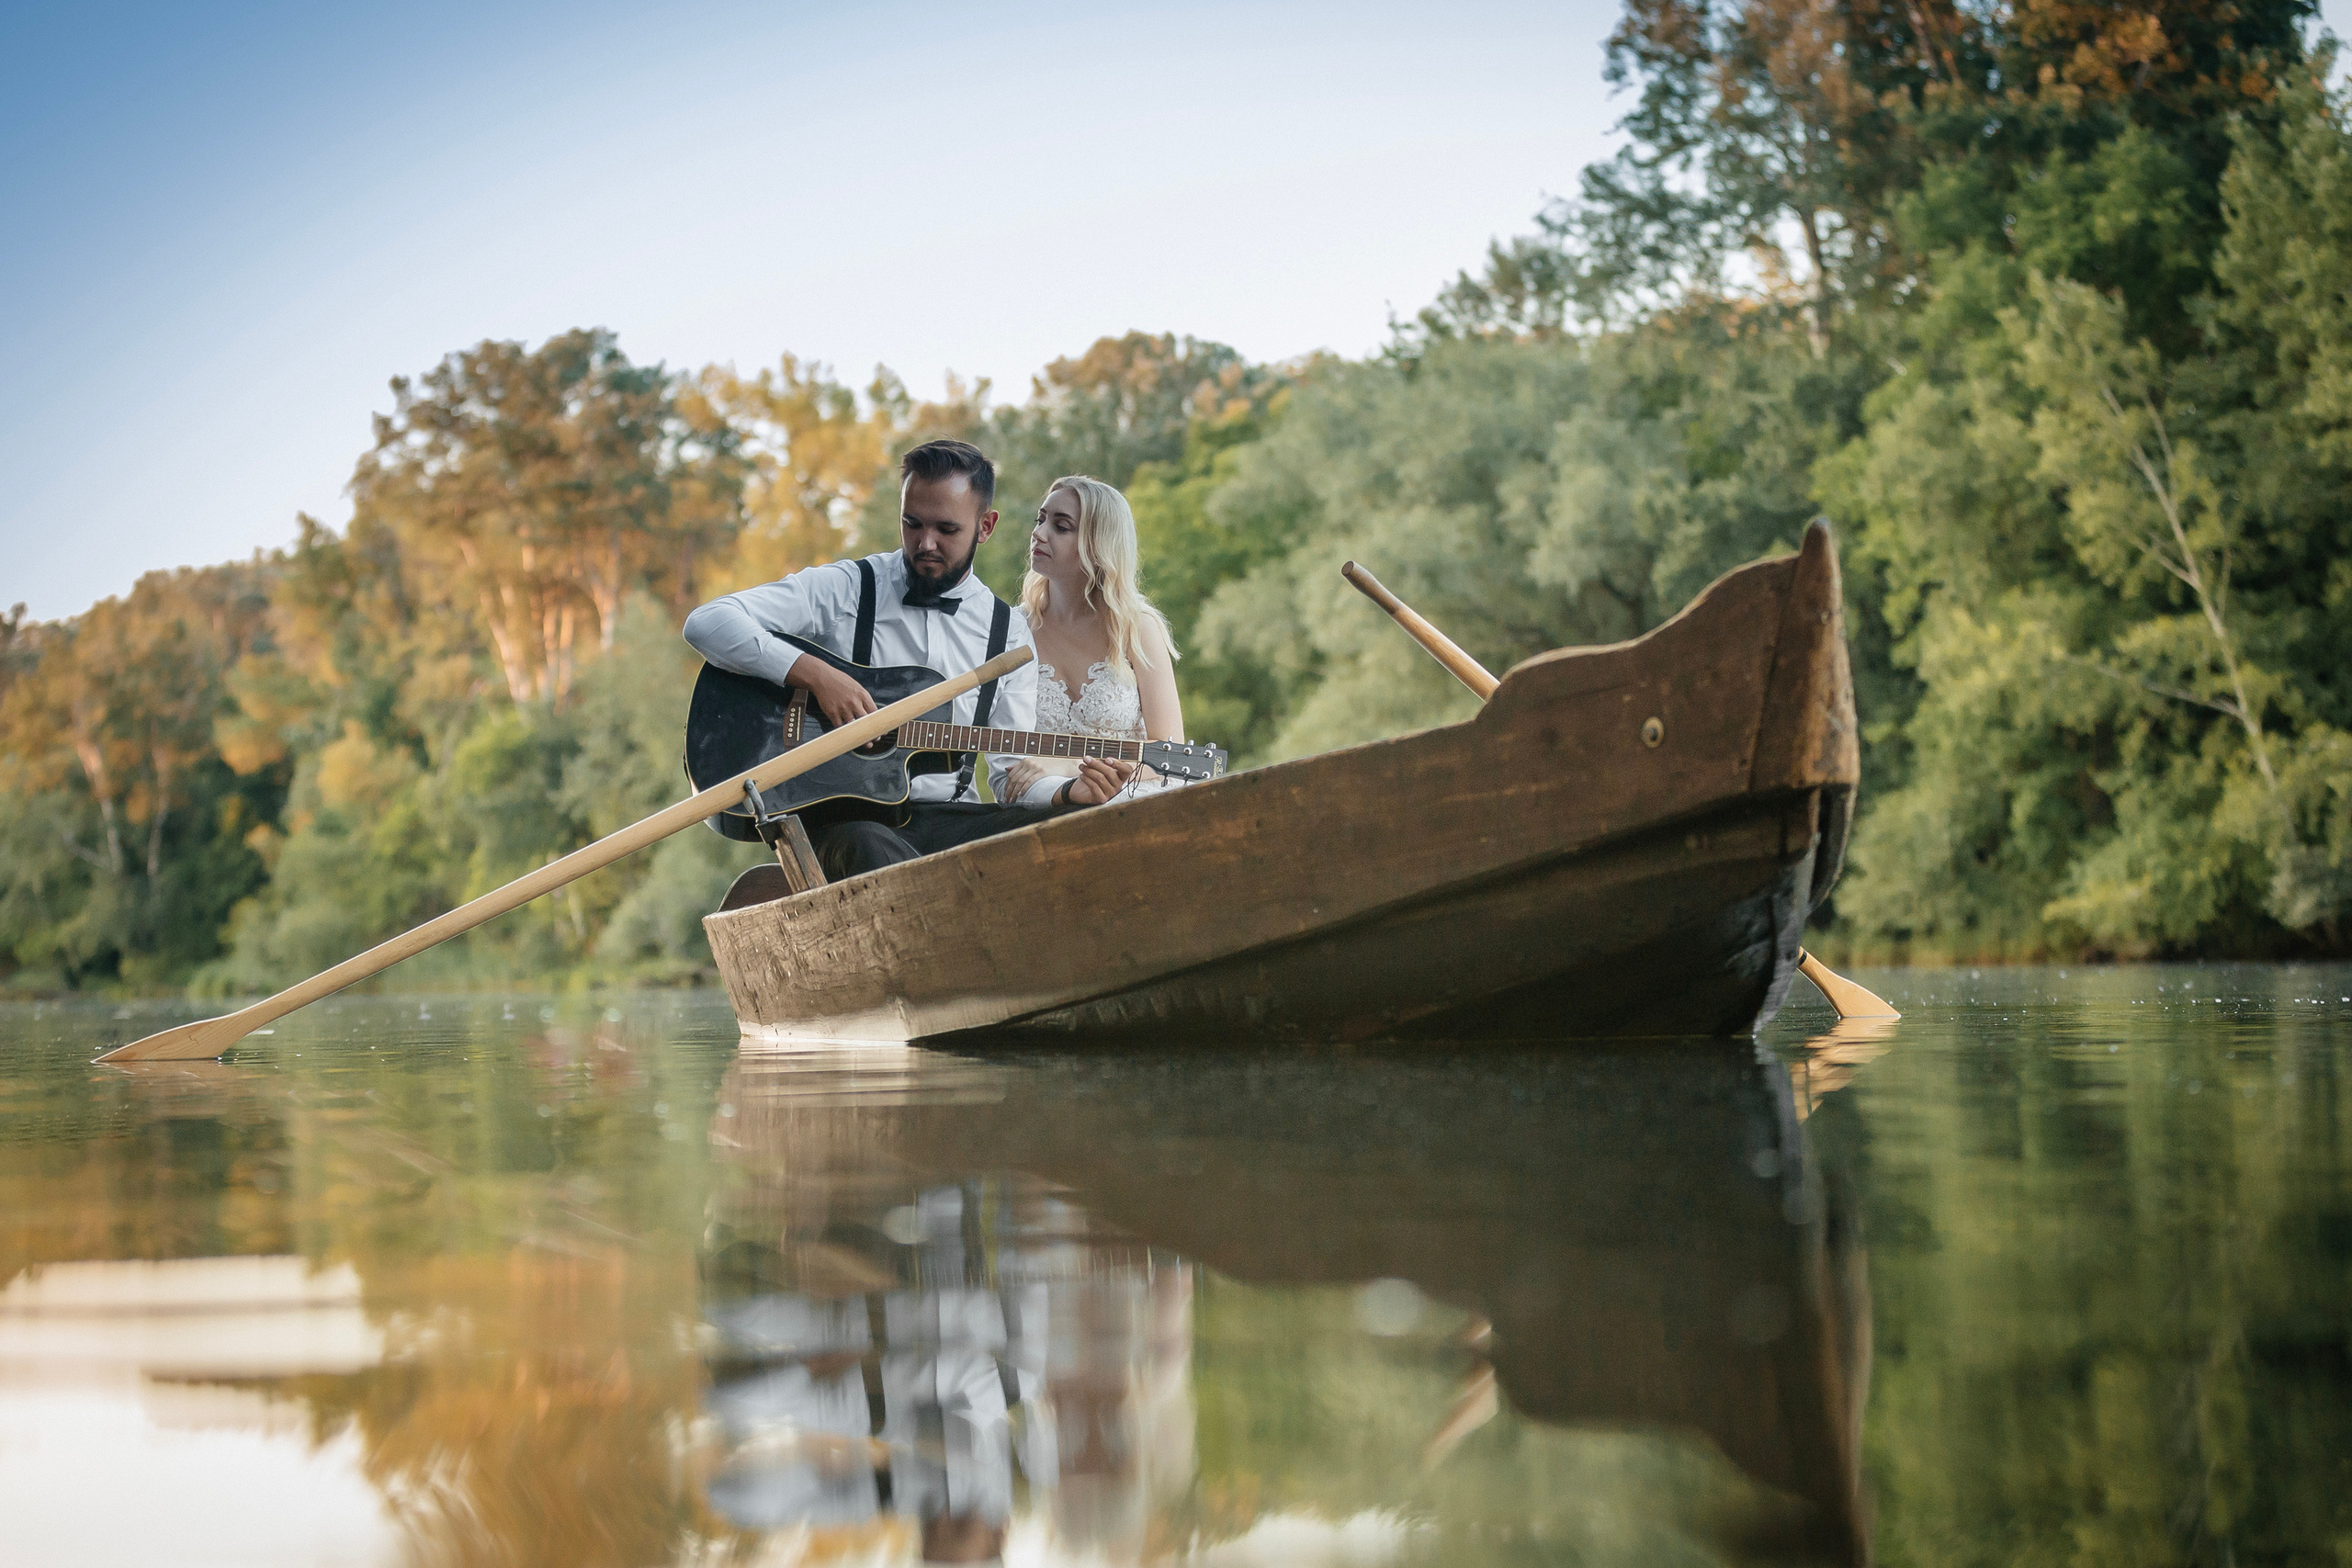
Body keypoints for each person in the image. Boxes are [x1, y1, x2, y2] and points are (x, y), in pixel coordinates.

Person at [683, 439, 1135, 881]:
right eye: (912, 524)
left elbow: (1009, 774)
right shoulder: (850, 587)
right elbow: (709, 621)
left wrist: (1068, 792)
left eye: (946, 529)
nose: (925, 544)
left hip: (949, 821)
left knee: (1065, 833)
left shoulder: (1007, 633)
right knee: (868, 846)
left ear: (986, 526)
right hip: (849, 825)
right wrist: (818, 676)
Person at [1003, 475, 1189, 809]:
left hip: (1134, 798)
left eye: (1061, 526)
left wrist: (1067, 765)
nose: (1038, 533)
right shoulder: (1012, 630)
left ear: (1098, 543)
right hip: (1046, 804)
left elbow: (1172, 755)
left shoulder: (1137, 628)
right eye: (1041, 519)